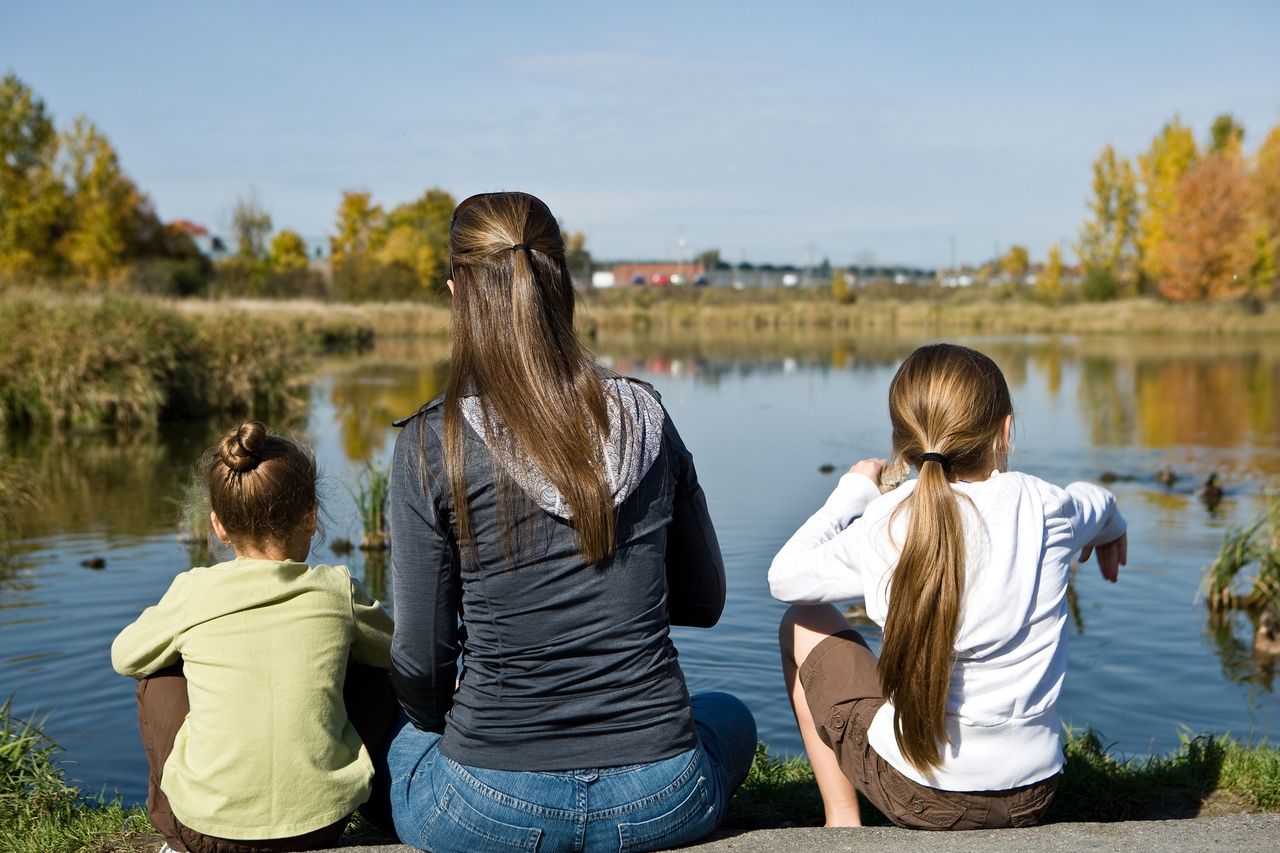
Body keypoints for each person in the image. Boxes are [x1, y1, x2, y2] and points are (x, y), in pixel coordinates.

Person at [387, 191, 756, 853]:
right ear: (564, 286)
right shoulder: (647, 416)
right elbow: (703, 602)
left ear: (457, 293)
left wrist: (449, 719)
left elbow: (421, 659)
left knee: (407, 735)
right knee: (731, 716)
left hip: (488, 808)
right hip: (662, 795)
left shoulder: (428, 441)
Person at [769, 343, 1127, 830]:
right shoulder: (1046, 508)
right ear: (1005, 431)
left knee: (801, 621)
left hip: (918, 795)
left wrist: (851, 493)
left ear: (903, 443)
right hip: (1032, 794)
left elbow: (784, 577)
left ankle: (842, 823)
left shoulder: (887, 523)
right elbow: (1095, 503)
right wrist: (1115, 525)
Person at [112, 422, 398, 853]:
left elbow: (125, 657)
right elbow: (401, 655)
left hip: (203, 835)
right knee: (376, 668)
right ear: (312, 516)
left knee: (156, 674)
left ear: (219, 527)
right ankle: (366, 794)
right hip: (320, 826)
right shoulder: (337, 588)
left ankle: (175, 824)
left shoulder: (195, 591)